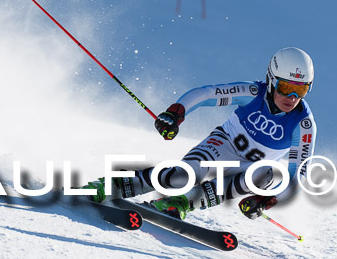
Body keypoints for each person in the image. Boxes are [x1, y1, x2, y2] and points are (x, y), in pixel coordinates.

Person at [83, 47, 318, 220]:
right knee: (184, 176)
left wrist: (269, 200)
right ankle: (109, 186)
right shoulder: (253, 92)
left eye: (301, 90)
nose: (292, 98)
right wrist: (176, 113)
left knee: (265, 174)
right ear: (271, 79)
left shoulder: (303, 125)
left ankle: (181, 204)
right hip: (223, 146)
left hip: (250, 168)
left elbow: (298, 175)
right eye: (286, 87)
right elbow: (207, 94)